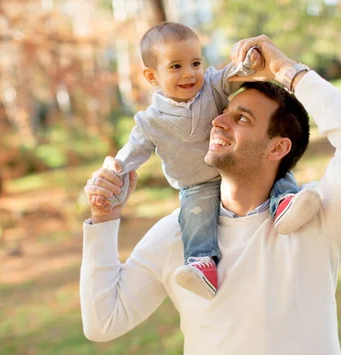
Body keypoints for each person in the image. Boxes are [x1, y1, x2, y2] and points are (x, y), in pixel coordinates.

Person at [81, 34, 341, 355]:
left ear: (277, 147)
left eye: (240, 118)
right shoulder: (177, 234)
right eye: (222, 113)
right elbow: (103, 322)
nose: (218, 123)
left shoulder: (316, 216)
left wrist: (284, 70)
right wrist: (104, 219)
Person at [104, 22, 321, 300]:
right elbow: (131, 153)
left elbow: (235, 74)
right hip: (196, 183)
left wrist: (249, 60)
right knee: (195, 216)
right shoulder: (151, 122)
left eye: (195, 63)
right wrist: (115, 169)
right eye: (175, 67)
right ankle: (202, 264)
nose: (189, 73)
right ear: (151, 75)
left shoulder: (211, 86)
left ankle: (286, 203)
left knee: (274, 170)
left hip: (234, 167)